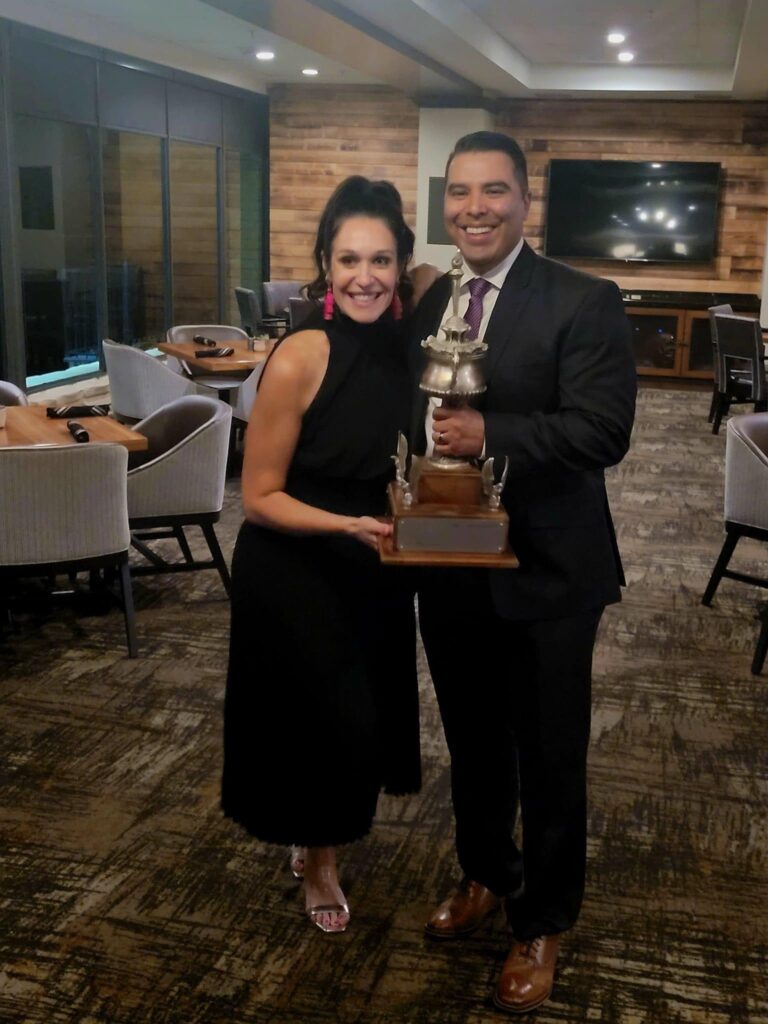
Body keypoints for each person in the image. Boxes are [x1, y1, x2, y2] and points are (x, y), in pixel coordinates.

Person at [408, 131, 636, 1012]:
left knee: (548, 755)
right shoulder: (434, 301)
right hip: (451, 565)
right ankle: (485, 876)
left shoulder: (584, 300)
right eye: (460, 192)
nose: (474, 208)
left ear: (524, 200)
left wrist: (490, 434)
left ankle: (541, 921)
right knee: (472, 742)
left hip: (548, 570)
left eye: (493, 191)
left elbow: (602, 431)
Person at [221, 176, 421, 934]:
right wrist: (346, 528)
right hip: (296, 565)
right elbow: (259, 495)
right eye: (348, 260)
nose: (365, 276)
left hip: (373, 558)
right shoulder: (302, 353)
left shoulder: (406, 346)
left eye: (381, 259)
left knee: (359, 719)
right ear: (325, 267)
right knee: (320, 721)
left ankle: (318, 839)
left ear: (402, 264)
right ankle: (321, 860)